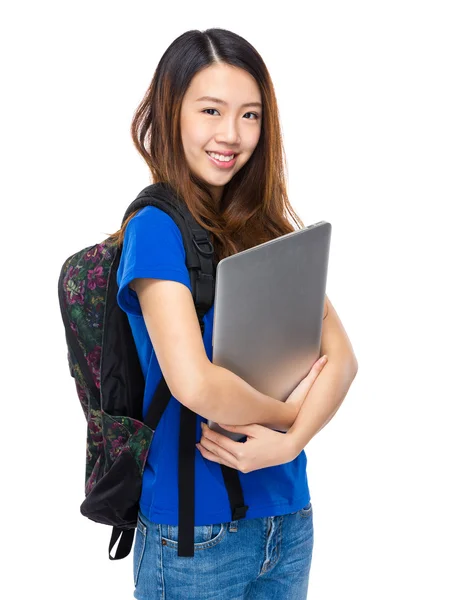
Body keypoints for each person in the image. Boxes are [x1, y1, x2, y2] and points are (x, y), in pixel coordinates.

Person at [108, 27, 358, 600]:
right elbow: (195, 383)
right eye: (211, 110)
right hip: (194, 534)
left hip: (289, 519)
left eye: (250, 115)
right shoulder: (155, 230)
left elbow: (341, 358)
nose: (231, 134)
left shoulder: (264, 226)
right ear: (172, 114)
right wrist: (286, 418)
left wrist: (288, 445)